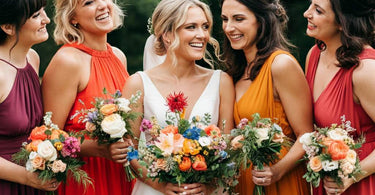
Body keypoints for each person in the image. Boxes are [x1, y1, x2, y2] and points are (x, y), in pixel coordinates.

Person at [122, 0, 235, 194]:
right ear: (167, 35)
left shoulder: (221, 81)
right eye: (191, 27)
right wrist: (160, 185)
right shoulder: (138, 83)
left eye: (205, 26)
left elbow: (228, 146)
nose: (202, 35)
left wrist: (209, 185)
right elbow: (129, 150)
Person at [221, 0, 313, 194]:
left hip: (281, 180)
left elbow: (307, 134)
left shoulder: (281, 65)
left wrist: (277, 171)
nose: (229, 28)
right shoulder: (234, 73)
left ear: (262, 21)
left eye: (239, 19)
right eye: (225, 19)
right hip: (245, 183)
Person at [41, 0, 133, 194]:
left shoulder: (118, 56)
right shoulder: (68, 61)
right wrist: (98, 148)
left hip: (122, 173)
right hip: (87, 179)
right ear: (72, 17)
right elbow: (48, 136)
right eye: (89, 2)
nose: (102, 5)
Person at [304, 0, 375, 194]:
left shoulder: (365, 70)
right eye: (310, 5)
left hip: (363, 181)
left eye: (317, 10)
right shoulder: (314, 55)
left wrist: (352, 176)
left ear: (342, 22)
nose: (306, 13)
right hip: (328, 180)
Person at [0, 0, 59, 194]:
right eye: (36, 16)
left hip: (33, 181)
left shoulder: (33, 59)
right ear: (8, 27)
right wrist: (26, 177)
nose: (47, 20)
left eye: (43, 12)